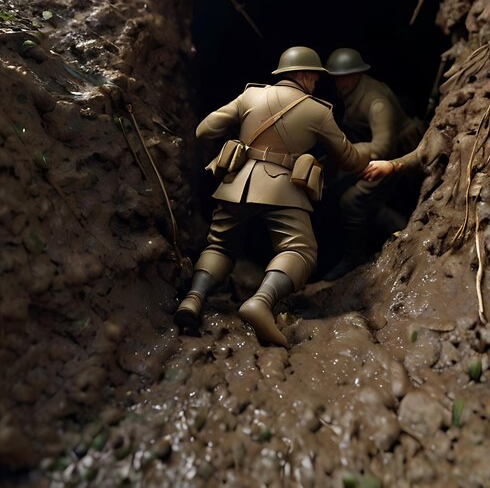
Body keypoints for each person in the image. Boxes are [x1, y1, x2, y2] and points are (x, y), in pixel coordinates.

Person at [175, 46, 370, 348]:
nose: (316, 84)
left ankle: (193, 299)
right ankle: (261, 302)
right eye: (315, 79)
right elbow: (350, 160)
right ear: (305, 75)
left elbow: (204, 130)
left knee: (221, 246)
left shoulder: (250, 96)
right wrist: (372, 152)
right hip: (283, 190)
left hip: (235, 184)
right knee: (300, 251)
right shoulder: (317, 111)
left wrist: (240, 137)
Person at [321, 47, 423, 280]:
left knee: (353, 201)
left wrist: (344, 154)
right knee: (337, 190)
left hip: (396, 157)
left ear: (357, 74)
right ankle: (404, 233)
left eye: (345, 76)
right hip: (375, 153)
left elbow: (382, 148)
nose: (341, 82)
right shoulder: (352, 93)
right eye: (337, 77)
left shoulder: (376, 102)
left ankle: (355, 257)